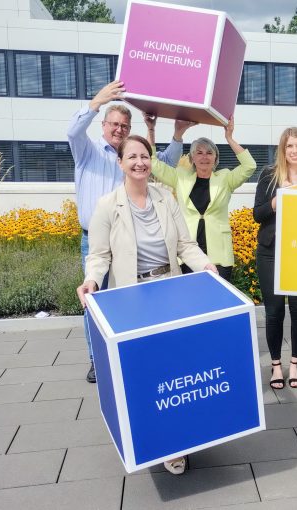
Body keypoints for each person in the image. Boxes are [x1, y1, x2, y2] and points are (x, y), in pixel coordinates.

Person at [76, 134, 217, 475]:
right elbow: (98, 255)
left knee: (176, 369)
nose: (139, 162)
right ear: (120, 162)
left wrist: (206, 265)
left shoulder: (165, 197)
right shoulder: (108, 205)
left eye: (144, 156)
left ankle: (177, 439)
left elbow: (185, 245)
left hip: (169, 291)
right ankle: (157, 438)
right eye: (132, 156)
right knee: (148, 372)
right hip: (133, 296)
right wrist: (91, 280)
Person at [67, 79, 192, 383]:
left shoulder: (136, 157)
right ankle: (99, 359)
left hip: (134, 239)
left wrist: (176, 134)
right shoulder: (88, 152)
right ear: (103, 125)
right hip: (96, 239)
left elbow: (164, 163)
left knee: (131, 304)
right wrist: (98, 101)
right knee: (95, 302)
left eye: (125, 125)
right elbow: (72, 131)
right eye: (114, 124)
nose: (119, 129)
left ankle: (136, 358)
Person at [145, 114, 257, 281]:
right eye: (199, 153)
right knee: (190, 301)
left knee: (218, 301)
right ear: (192, 158)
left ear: (215, 158)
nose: (204, 157)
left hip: (219, 254)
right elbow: (152, 162)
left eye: (209, 153)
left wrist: (229, 138)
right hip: (188, 253)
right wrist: (151, 129)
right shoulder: (180, 177)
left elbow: (250, 166)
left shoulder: (226, 179)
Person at [253, 127, 297, 390]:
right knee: (274, 312)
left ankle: (294, 364)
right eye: (289, 146)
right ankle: (275, 366)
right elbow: (257, 214)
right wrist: (277, 199)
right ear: (282, 150)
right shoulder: (269, 176)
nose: (294, 151)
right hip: (270, 251)